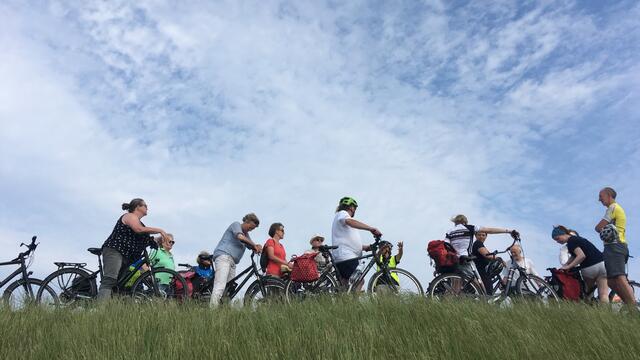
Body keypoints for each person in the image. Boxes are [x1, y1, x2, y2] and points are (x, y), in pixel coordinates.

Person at [97, 198, 169, 300]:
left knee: (119, 283)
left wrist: (160, 239)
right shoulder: (130, 216)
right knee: (110, 280)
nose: (147, 207)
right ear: (137, 207)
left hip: (126, 256)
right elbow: (138, 230)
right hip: (115, 250)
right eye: (145, 205)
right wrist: (160, 230)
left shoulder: (139, 223)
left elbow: (145, 237)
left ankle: (111, 307)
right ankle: (99, 308)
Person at [210, 213, 262, 308]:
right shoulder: (236, 225)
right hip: (224, 256)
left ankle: (224, 310)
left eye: (252, 229)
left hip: (233, 262)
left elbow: (250, 244)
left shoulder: (246, 234)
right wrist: (254, 245)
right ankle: (212, 311)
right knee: (220, 285)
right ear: (246, 221)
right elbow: (240, 237)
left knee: (229, 289)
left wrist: (257, 247)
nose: (250, 230)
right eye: (250, 227)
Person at [594, 187, 634, 307]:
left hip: (615, 246)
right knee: (611, 281)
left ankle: (633, 307)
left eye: (601, 196)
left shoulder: (613, 207)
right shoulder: (615, 208)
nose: (599, 199)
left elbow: (598, 227)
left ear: (609, 195)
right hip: (615, 247)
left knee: (620, 278)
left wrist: (601, 229)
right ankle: (630, 305)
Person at [331, 197, 382, 287]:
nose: (355, 210)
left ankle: (343, 301)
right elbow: (349, 221)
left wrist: (365, 247)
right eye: (355, 208)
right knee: (359, 281)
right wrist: (370, 228)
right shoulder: (343, 213)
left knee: (345, 285)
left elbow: (347, 240)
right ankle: (351, 302)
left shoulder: (341, 218)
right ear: (351, 207)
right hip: (346, 256)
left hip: (344, 255)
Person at [445, 214, 518, 277]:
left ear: (455, 222)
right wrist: (509, 231)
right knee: (476, 281)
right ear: (465, 222)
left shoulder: (450, 231)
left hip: (454, 258)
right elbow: (489, 230)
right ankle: (482, 293)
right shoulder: (469, 227)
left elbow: (446, 245)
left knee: (456, 280)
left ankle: (455, 293)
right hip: (465, 258)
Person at [552, 225, 608, 303]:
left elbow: (581, 256)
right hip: (603, 265)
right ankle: (604, 313)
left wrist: (568, 267)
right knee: (603, 294)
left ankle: (589, 309)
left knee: (587, 293)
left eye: (557, 239)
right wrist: (567, 263)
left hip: (589, 267)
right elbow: (574, 255)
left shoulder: (571, 242)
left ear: (563, 234)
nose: (557, 242)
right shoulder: (578, 239)